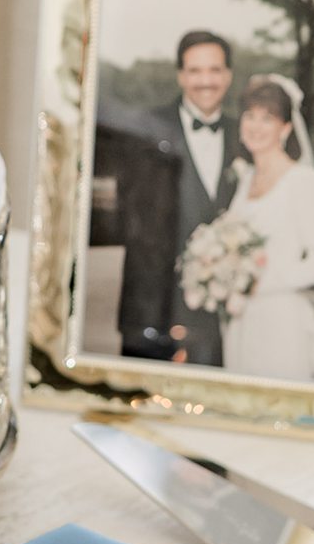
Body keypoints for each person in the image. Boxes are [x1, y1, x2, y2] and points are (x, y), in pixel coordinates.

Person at [95, 28, 242, 366]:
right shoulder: (144, 129)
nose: (205, 81)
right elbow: (127, 218)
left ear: (228, 75)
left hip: (219, 316)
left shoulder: (245, 136)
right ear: (180, 75)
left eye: (214, 70)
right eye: (195, 71)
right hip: (152, 312)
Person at [211, 75, 314, 381]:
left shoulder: (304, 183)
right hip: (240, 320)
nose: (255, 126)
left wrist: (261, 283)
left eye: (267, 118)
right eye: (250, 115)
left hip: (280, 322)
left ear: (285, 128)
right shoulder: (244, 180)